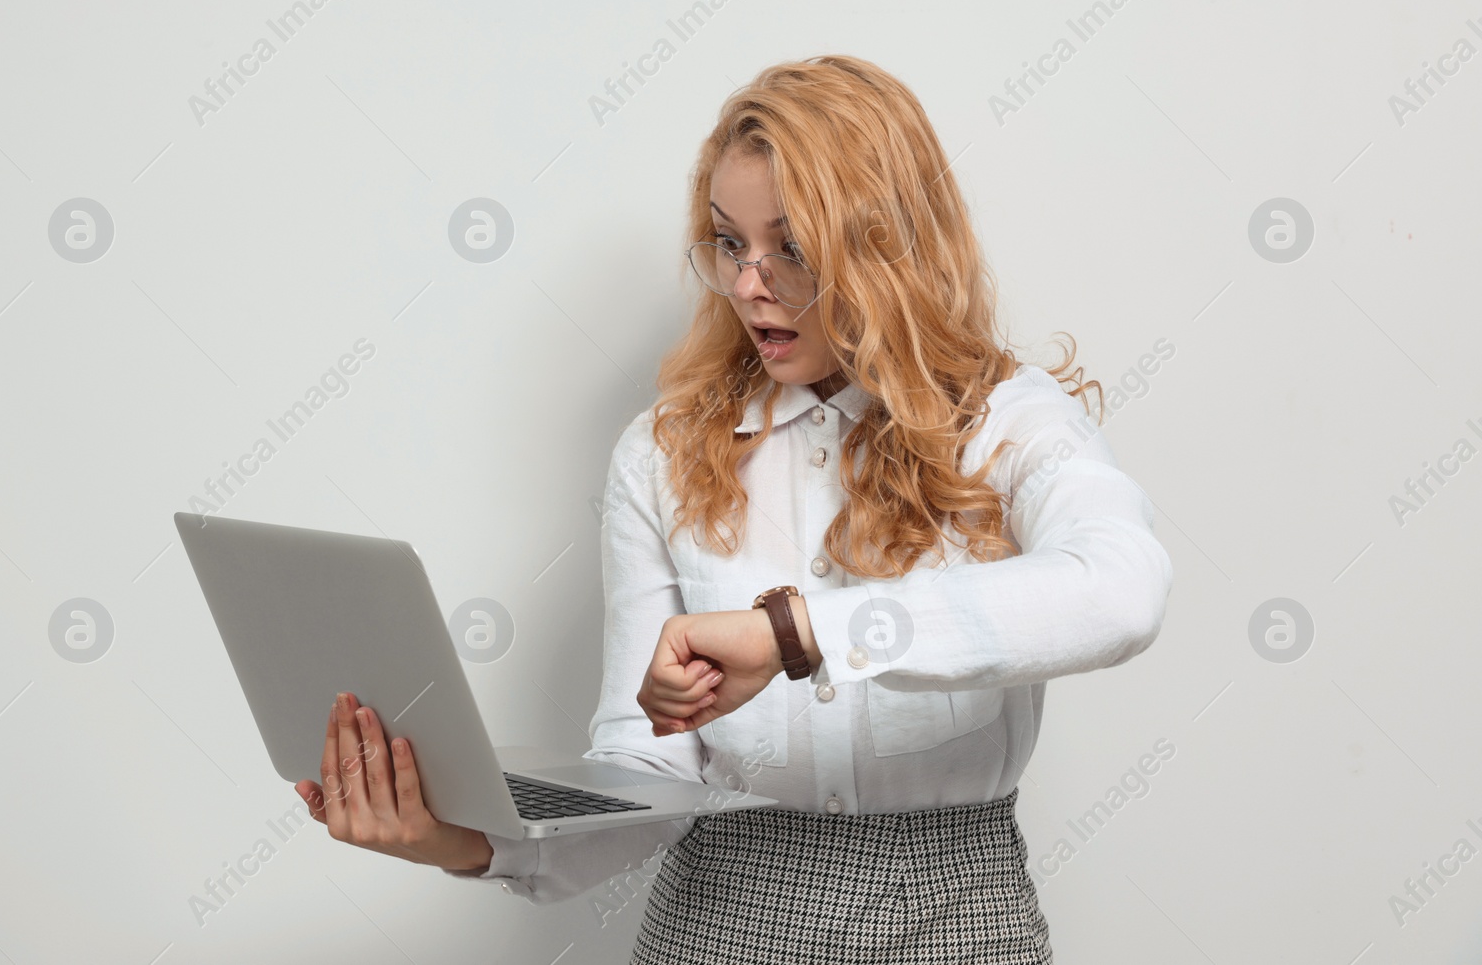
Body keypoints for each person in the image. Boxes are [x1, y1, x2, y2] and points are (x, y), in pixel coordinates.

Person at [292, 54, 1173, 963]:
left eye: (791, 248)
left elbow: (1121, 590)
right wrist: (453, 837)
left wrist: (794, 632)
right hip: (719, 928)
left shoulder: (1003, 421)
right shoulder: (663, 453)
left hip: (960, 923)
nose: (750, 283)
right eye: (729, 243)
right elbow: (648, 774)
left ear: (884, 248)